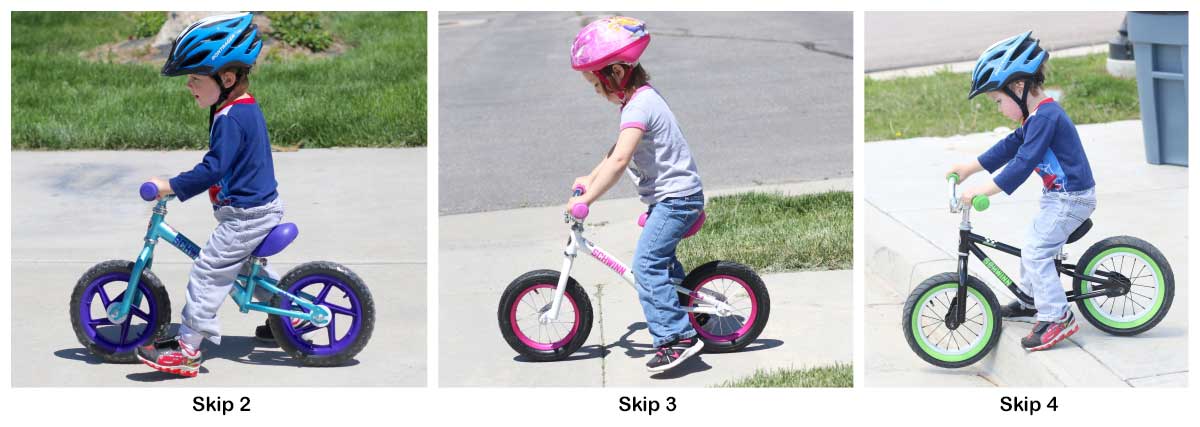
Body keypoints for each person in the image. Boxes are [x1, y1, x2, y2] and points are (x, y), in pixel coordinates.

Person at [135, 12, 298, 376]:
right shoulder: (238, 107)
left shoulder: (229, 118)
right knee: (243, 271)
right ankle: (290, 320)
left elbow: (215, 168)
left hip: (246, 216)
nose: (188, 85)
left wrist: (171, 186)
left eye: (194, 78)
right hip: (255, 208)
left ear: (226, 78)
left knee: (208, 271)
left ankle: (188, 348)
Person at [567, 17, 706, 372]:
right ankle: (687, 309)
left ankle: (678, 338)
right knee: (661, 265)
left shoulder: (639, 106)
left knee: (646, 265)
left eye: (595, 84)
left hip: (677, 202)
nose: (595, 91)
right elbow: (614, 152)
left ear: (615, 72)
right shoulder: (637, 101)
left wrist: (587, 200)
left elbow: (620, 161)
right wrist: (589, 175)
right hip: (672, 199)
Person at [946, 31, 1096, 351]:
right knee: (1033, 241)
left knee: (1036, 250)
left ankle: (1057, 317)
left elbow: (1023, 163)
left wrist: (980, 190)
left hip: (1072, 198)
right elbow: (1008, 148)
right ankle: (1032, 300)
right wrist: (969, 168)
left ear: (1018, 88)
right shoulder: (1035, 118)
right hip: (1059, 197)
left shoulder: (1047, 117)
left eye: (998, 101)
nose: (999, 108)